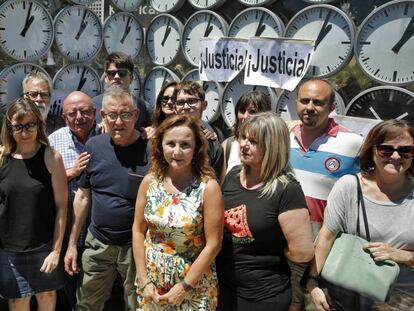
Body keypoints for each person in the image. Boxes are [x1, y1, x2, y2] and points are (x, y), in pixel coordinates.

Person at [307, 119, 414, 311]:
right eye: (386, 150)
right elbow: (325, 238)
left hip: (400, 303)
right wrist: (312, 284)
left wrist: (405, 256)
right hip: (343, 299)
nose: (396, 156)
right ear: (372, 151)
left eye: (405, 150)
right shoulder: (349, 187)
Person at [216, 112, 314, 311]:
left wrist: (270, 250)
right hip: (224, 289)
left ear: (272, 146)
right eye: (243, 137)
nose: (244, 144)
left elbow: (302, 252)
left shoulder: (287, 189)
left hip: (262, 296)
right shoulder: (233, 175)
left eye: (253, 141)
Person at [64, 87, 150, 310]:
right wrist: (73, 244)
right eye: (112, 115)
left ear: (135, 116)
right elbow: (82, 196)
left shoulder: (151, 149)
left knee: (138, 304)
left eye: (125, 114)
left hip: (137, 247)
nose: (118, 122)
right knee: (86, 304)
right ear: (103, 116)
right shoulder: (94, 146)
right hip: (98, 243)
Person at [133, 114, 224, 310]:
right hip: (152, 282)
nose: (177, 151)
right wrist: (143, 279)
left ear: (197, 148)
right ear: (160, 146)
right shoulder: (150, 182)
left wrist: (183, 287)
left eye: (185, 145)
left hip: (192, 284)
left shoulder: (208, 188)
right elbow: (138, 231)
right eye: (171, 144)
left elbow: (214, 244)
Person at [0, 98, 67, 310]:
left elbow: (62, 208)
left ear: (39, 125)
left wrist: (56, 251)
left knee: (46, 297)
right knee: (17, 301)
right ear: (9, 128)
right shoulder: (2, 158)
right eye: (18, 126)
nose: (25, 131)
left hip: (44, 246)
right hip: (8, 249)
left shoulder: (51, 157)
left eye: (30, 125)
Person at [290, 78, 363, 237]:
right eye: (304, 101)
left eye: (318, 102)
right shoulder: (283, 138)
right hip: (283, 236)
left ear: (332, 108)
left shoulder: (354, 143)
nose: (309, 107)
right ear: (296, 103)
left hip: (326, 240)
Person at [48, 91, 98, 309]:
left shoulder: (108, 136)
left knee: (95, 293)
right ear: (65, 117)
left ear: (95, 113)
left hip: (100, 232)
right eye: (72, 113)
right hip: (68, 228)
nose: (79, 117)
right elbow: (43, 184)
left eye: (85, 111)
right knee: (69, 287)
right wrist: (72, 172)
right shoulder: (54, 141)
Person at [174, 81, 224, 178]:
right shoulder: (163, 136)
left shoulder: (212, 144)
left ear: (204, 105)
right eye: (180, 102)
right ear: (175, 107)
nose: (186, 107)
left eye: (191, 101)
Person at [220, 90, 271, 183]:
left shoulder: (271, 147)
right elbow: (222, 185)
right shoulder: (228, 145)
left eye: (252, 112)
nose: (245, 116)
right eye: (242, 111)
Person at [92, 51, 150, 129]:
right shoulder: (92, 106)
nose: (116, 77)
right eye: (112, 73)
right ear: (106, 78)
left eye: (122, 73)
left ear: (131, 78)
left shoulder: (143, 107)